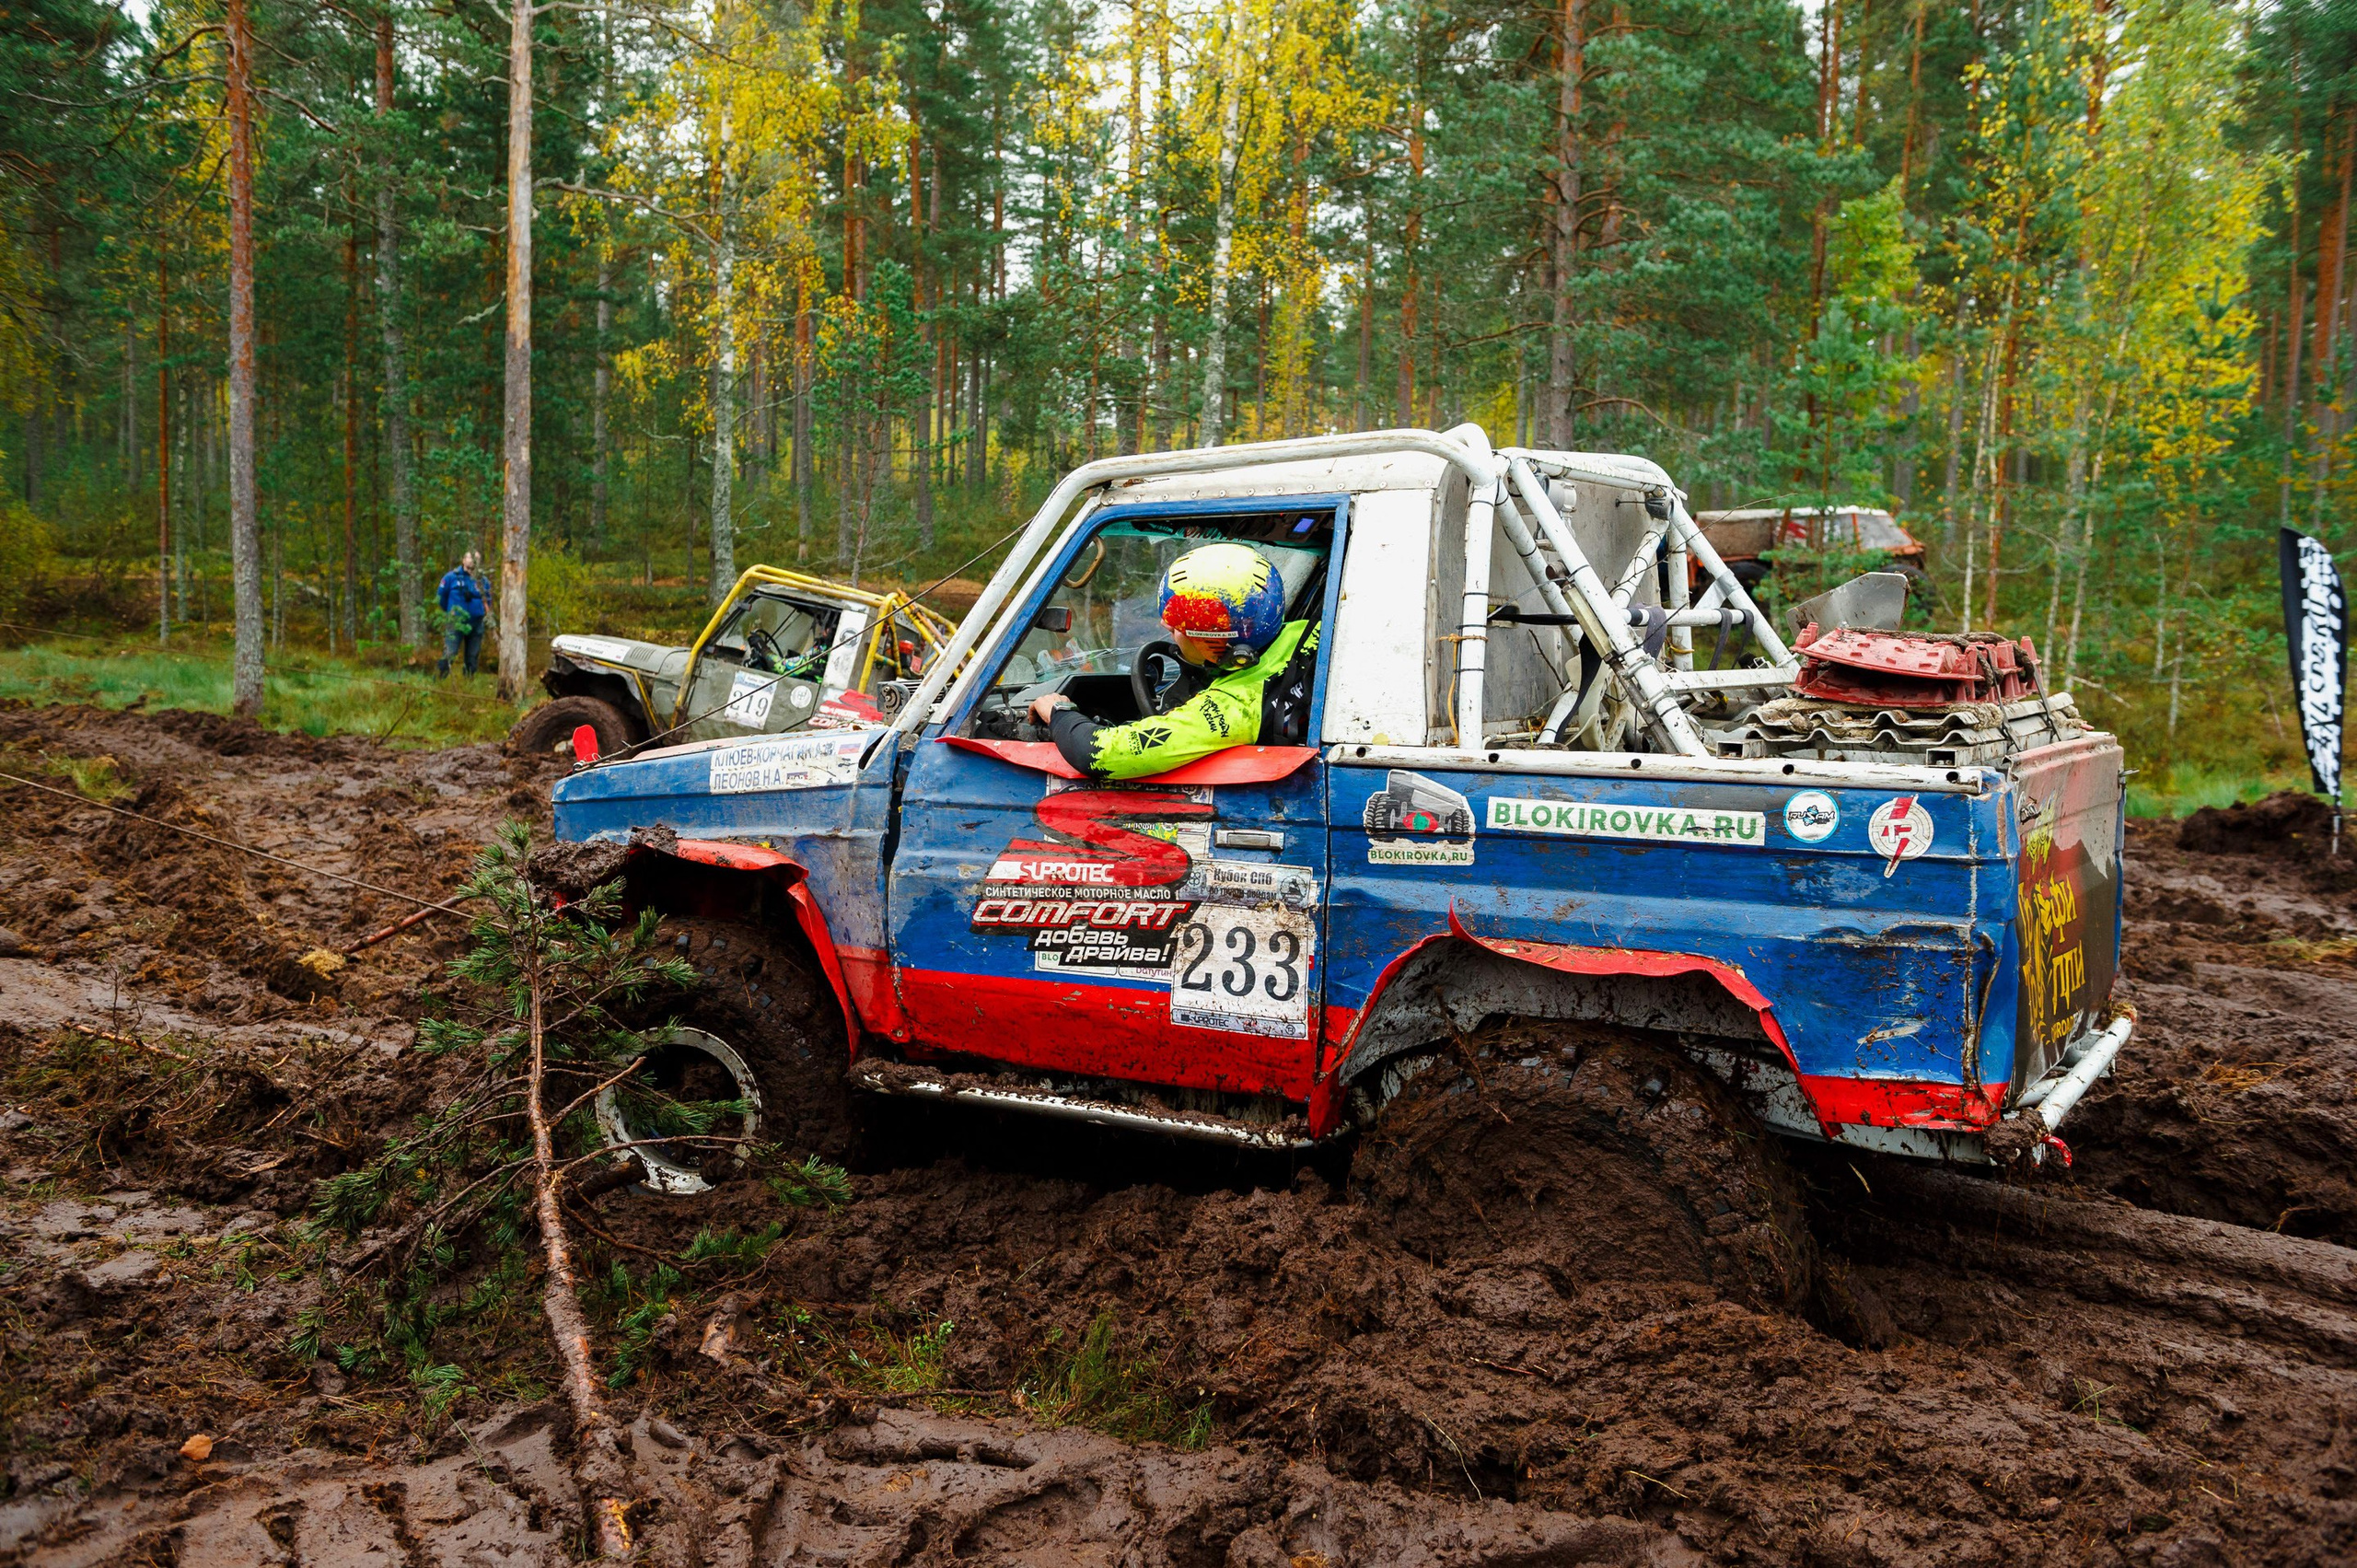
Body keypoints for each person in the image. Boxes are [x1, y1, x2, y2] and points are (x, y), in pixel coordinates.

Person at [1028, 540, 1318, 780]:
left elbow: (1098, 754)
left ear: (1209, 640)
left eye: (1177, 628)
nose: (1167, 630)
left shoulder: (1233, 706)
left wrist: (1058, 710)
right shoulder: (1311, 631)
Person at [436, 551, 488, 678]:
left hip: (476, 623)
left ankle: (468, 684)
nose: (473, 561)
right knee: (450, 653)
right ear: (463, 560)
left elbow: (488, 600)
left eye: (476, 559)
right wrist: (450, 612)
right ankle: (439, 681)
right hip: (456, 622)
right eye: (470, 558)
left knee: (472, 656)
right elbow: (441, 597)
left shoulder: (483, 580)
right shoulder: (451, 577)